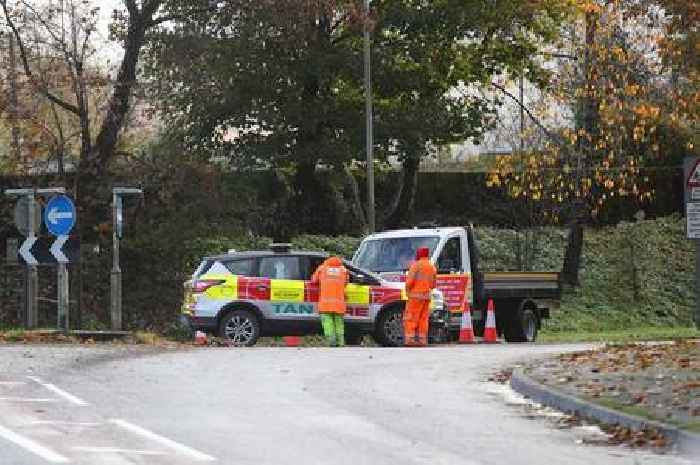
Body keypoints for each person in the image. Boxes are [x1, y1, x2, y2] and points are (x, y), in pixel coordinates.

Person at [311, 256, 349, 347]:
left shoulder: (322, 269)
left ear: (327, 261)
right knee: (339, 323)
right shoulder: (343, 270)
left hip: (325, 303)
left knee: (328, 323)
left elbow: (313, 280)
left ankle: (331, 342)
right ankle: (341, 342)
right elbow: (346, 282)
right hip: (339, 303)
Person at [404, 247, 437, 347]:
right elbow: (433, 285)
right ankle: (422, 340)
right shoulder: (432, 267)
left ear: (419, 254)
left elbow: (409, 282)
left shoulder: (416, 266)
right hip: (426, 296)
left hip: (415, 296)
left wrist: (407, 291)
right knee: (423, 318)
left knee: (411, 317)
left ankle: (410, 339)